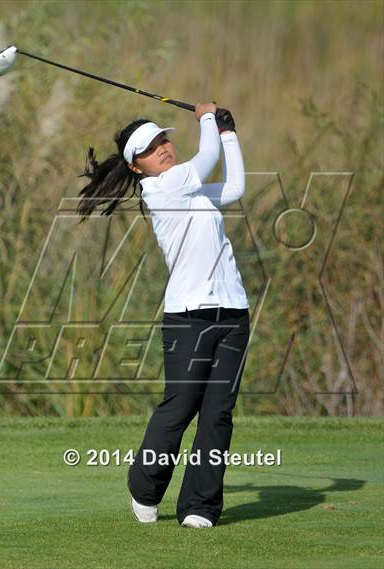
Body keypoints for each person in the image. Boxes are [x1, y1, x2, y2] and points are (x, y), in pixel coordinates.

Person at [77, 102, 250, 529]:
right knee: (181, 406)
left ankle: (199, 507)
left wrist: (228, 134)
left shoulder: (187, 189)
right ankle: (145, 485)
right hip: (188, 318)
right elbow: (205, 159)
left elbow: (234, 188)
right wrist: (207, 117)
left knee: (218, 413)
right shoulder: (163, 189)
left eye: (164, 140)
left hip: (233, 311)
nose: (164, 148)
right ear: (137, 167)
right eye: (151, 148)